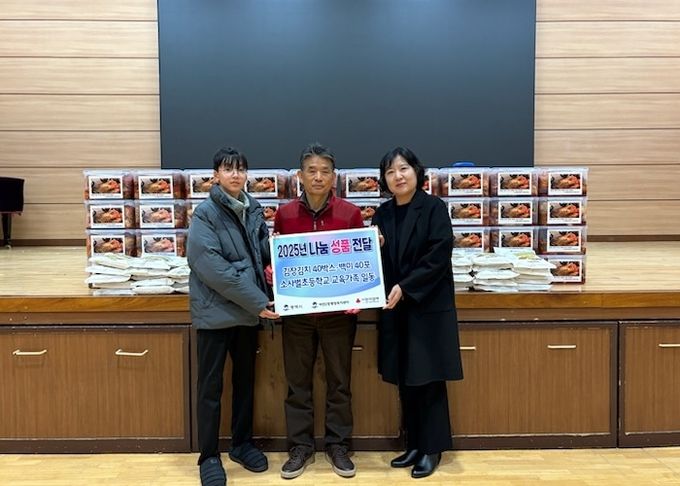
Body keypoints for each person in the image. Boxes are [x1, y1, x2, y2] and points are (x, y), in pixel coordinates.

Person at [187, 146, 279, 486]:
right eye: (228, 169)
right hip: (216, 312)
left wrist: (280, 255)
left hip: (247, 313)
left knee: (244, 382)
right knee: (210, 388)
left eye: (240, 169)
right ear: (216, 176)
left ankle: (242, 444)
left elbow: (260, 254)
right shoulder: (205, 214)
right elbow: (211, 267)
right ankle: (209, 456)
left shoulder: (252, 208)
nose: (236, 174)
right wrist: (257, 300)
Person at [272, 143, 364, 479]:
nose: (318, 177)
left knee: (339, 382)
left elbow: (360, 264)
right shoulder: (284, 215)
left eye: (325, 171)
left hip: (338, 316)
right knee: (297, 384)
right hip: (297, 315)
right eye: (311, 171)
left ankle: (338, 445)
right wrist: (273, 276)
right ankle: (300, 446)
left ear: (334, 177)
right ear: (300, 176)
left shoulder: (350, 214)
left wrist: (359, 293)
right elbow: (278, 261)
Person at [371, 147, 463, 479]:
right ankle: (413, 444)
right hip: (395, 308)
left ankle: (432, 448)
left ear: (416, 172)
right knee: (406, 378)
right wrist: (375, 248)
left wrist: (406, 287)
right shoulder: (381, 215)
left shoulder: (434, 208)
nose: (398, 176)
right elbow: (374, 262)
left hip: (426, 306)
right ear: (384, 180)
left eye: (404, 168)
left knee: (429, 379)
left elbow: (438, 256)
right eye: (390, 171)